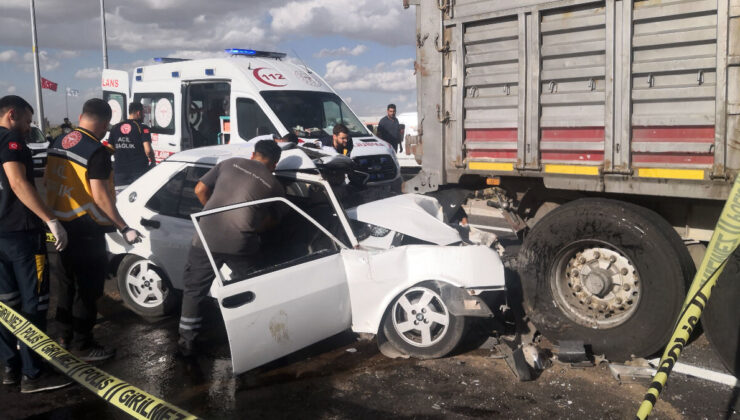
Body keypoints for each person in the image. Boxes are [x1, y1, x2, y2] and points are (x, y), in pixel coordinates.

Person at [45, 98, 143, 362]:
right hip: (86, 228)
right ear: (103, 122)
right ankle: (83, 344)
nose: (104, 132)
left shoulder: (58, 142)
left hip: (60, 224)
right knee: (88, 290)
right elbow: (100, 197)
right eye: (105, 127)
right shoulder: (96, 151)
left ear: (81, 116)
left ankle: (64, 335)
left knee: (66, 284)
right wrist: (124, 227)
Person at [178, 140, 284, 356]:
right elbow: (274, 221)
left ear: (253, 154)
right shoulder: (274, 184)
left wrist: (210, 214)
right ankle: (249, 338)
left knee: (194, 290)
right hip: (240, 243)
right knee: (250, 289)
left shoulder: (229, 163)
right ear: (274, 164)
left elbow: (199, 188)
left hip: (206, 237)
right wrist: (253, 225)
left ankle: (186, 342)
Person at [0, 95, 72, 393]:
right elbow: (18, 183)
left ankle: (10, 367)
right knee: (34, 304)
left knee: (7, 305)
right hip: (22, 236)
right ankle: (34, 373)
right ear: (11, 115)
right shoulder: (10, 142)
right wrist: (51, 220)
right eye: (28, 121)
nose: (29, 128)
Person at [108, 102, 156, 187]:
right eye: (143, 113)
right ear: (139, 113)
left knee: (121, 197)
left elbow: (109, 150)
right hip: (138, 171)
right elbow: (148, 150)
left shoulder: (115, 127)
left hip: (119, 171)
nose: (144, 116)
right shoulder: (143, 128)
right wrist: (153, 162)